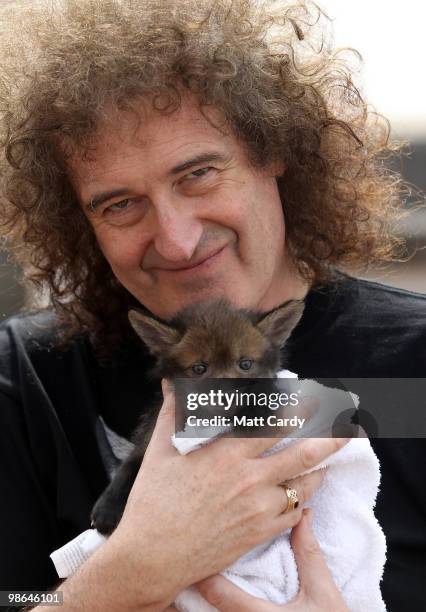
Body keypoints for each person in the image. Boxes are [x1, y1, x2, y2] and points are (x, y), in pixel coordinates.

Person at [0, 0, 425, 610]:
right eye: (119, 204)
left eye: (198, 173)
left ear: (272, 151)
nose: (175, 238)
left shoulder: (416, 365)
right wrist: (130, 572)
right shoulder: (29, 380)